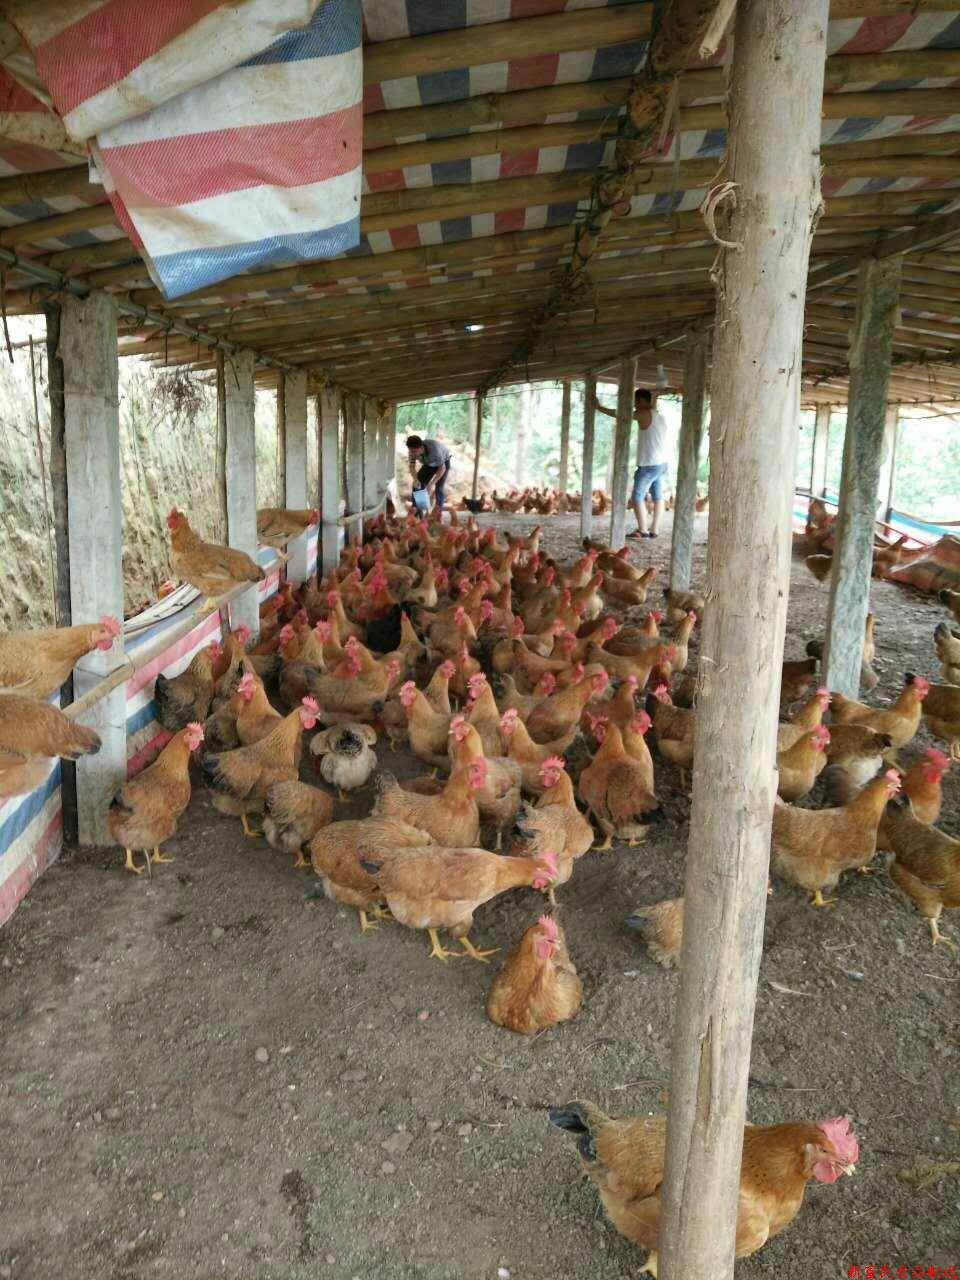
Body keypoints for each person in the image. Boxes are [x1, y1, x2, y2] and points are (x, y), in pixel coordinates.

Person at [594, 387, 669, 539]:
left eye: (635, 401)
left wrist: (599, 407)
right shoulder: (659, 416)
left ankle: (643, 530)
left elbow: (621, 414)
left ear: (641, 400)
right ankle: (654, 530)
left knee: (637, 497)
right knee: (658, 497)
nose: (634, 405)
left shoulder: (644, 414)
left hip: (648, 464)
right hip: (661, 464)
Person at [406, 434, 452, 511]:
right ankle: (419, 510)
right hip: (429, 463)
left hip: (444, 461)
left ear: (421, 448)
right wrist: (415, 479)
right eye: (410, 450)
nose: (412, 453)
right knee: (418, 485)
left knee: (439, 487)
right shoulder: (412, 451)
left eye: (414, 451)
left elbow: (442, 468)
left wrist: (431, 484)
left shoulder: (435, 451)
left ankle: (438, 512)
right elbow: (412, 467)